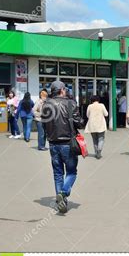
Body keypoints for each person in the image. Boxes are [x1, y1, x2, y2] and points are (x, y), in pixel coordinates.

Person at [42, 80, 84, 214]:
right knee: (72, 172)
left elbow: (44, 125)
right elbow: (79, 123)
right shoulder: (70, 103)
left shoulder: (46, 105)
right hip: (68, 143)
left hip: (53, 144)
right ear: (62, 90)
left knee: (58, 173)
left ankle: (61, 202)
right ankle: (64, 192)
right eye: (65, 89)